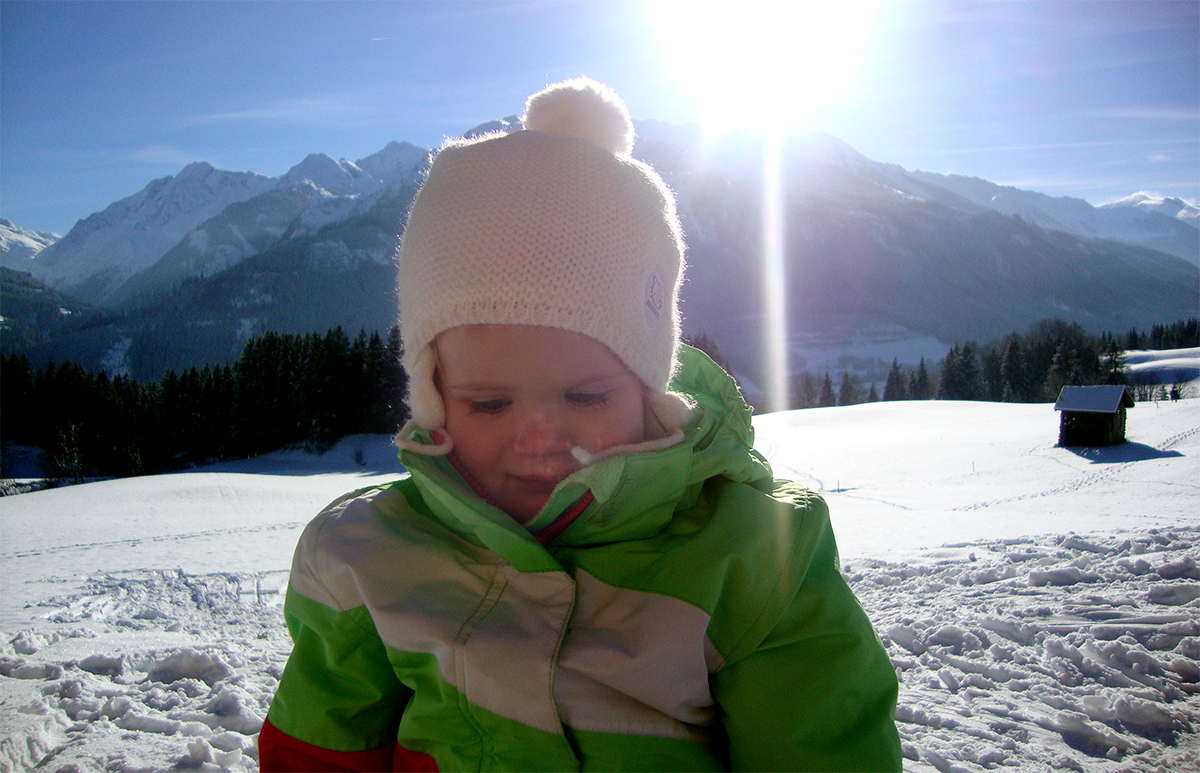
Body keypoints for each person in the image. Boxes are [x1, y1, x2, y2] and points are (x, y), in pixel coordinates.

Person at [260, 77, 901, 772]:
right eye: (488, 403)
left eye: (588, 394)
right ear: (434, 395)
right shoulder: (374, 553)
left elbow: (820, 745)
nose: (539, 438)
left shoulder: (750, 558)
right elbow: (318, 746)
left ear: (648, 387)